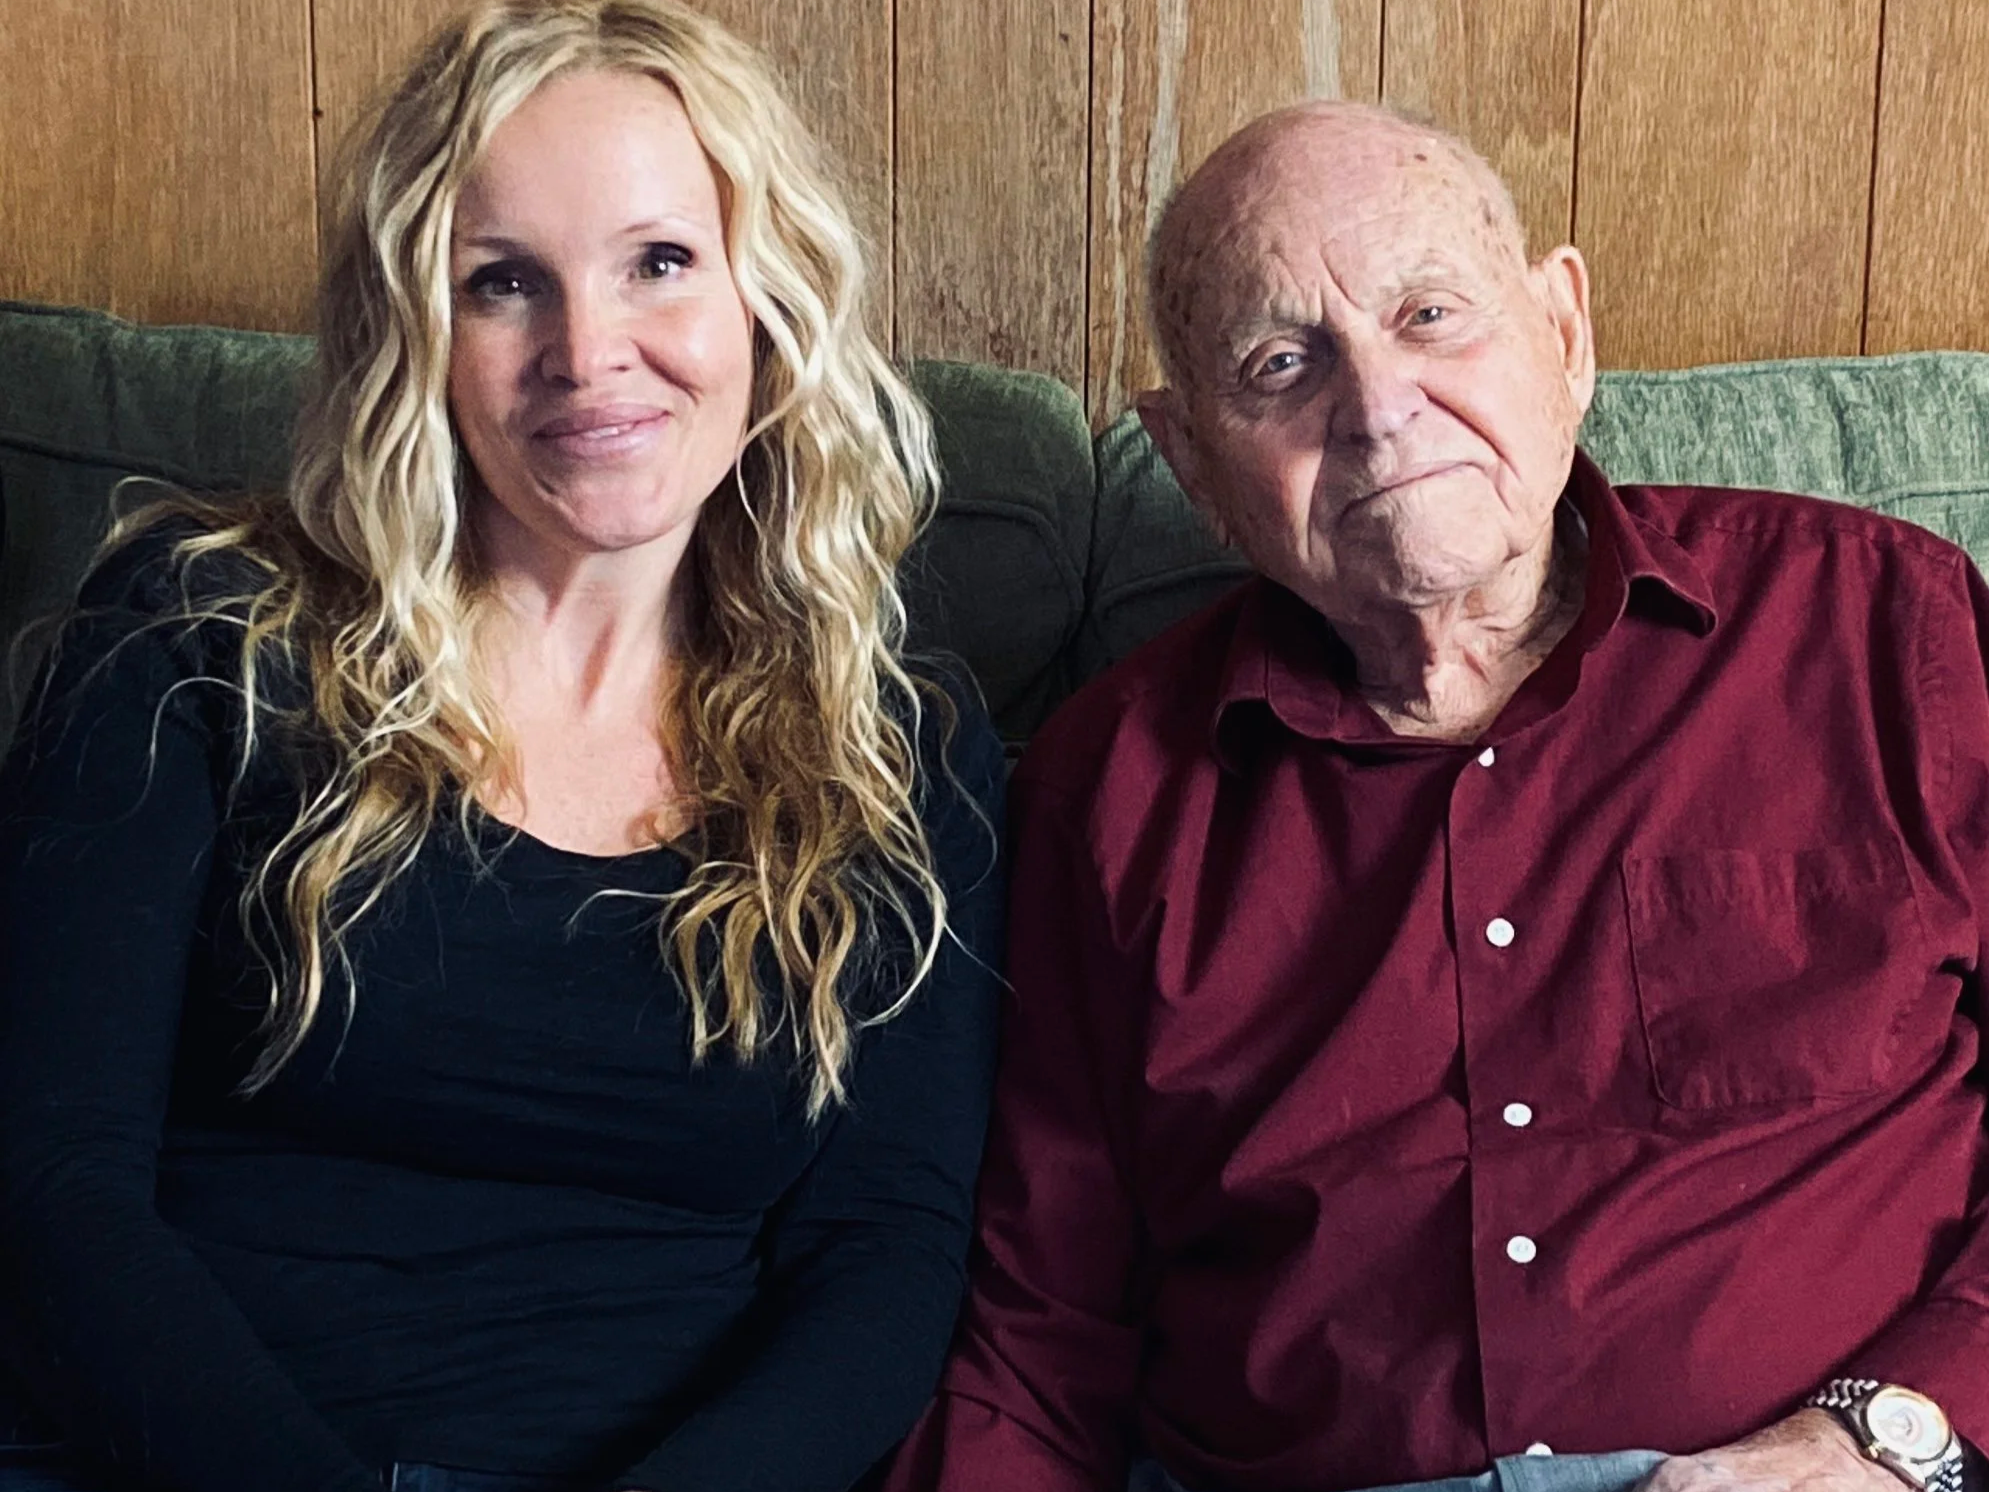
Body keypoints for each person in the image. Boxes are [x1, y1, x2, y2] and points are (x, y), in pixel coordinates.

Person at [884, 102, 1989, 1492]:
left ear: (1564, 334)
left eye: (1429, 315)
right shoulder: (1103, 792)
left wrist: (1885, 1437)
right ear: (1192, 465)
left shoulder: (1886, 626)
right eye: (1282, 363)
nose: (1378, 409)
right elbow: (1042, 1332)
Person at [0, 4, 1004, 1490]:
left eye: (659, 262)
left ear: (765, 301)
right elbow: (49, 1184)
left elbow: (887, 1251)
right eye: (501, 284)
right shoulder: (200, 638)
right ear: (417, 331)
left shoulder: (898, 747)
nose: (589, 353)